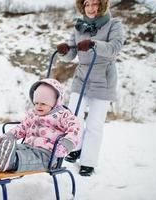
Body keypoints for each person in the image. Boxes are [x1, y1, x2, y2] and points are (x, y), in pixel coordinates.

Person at [56, 0, 123, 176]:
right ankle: (76, 148)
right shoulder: (79, 26)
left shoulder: (113, 24)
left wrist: (93, 44)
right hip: (81, 77)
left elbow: (115, 48)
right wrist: (64, 51)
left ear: (102, 5)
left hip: (103, 79)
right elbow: (71, 54)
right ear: (82, 6)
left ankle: (88, 162)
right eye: (87, 4)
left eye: (95, 3)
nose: (91, 8)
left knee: (94, 124)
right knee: (73, 117)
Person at [0, 78, 80, 172]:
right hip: (27, 146)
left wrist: (65, 146)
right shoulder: (33, 114)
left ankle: (12, 161)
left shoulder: (63, 115)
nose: (38, 106)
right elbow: (22, 127)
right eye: (36, 103)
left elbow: (75, 128)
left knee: (27, 158)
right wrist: (9, 136)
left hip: (47, 154)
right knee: (15, 149)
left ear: (54, 103)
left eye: (43, 103)